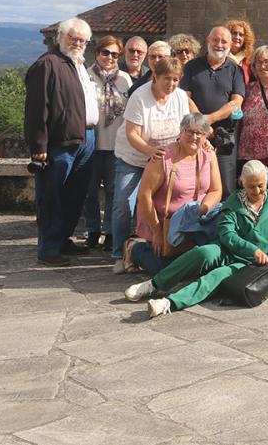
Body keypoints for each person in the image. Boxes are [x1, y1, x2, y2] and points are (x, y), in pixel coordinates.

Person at [125, 160, 268, 318]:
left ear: (266, 182)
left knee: (216, 276)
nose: (256, 191)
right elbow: (227, 233)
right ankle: (154, 284)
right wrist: (252, 249)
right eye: (251, 186)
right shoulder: (234, 201)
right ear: (242, 183)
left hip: (249, 263)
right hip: (228, 249)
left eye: (261, 186)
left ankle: (170, 303)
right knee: (202, 253)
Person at [24, 17, 100, 266]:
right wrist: (38, 146)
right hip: (59, 143)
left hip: (86, 138)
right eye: (73, 38)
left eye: (83, 40)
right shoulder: (48, 64)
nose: (78, 43)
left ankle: (63, 239)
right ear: (61, 37)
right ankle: (48, 248)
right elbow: (36, 109)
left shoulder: (78, 64)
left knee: (74, 196)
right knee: (52, 196)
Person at [112, 57, 197, 273]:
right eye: (166, 79)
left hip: (163, 159)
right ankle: (118, 253)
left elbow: (186, 127)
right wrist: (149, 151)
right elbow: (132, 133)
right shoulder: (140, 97)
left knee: (162, 204)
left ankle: (151, 246)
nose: (171, 84)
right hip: (134, 156)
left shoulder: (179, 97)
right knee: (123, 202)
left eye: (176, 79)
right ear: (155, 77)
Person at [128, 113, 223, 275]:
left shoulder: (209, 155)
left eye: (199, 133)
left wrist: (202, 209)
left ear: (206, 136)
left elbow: (216, 190)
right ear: (180, 132)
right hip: (166, 225)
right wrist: (157, 230)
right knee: (165, 270)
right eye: (189, 132)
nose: (194, 137)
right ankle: (134, 249)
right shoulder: (163, 157)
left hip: (197, 221)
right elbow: (144, 195)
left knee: (206, 264)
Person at [180, 25, 245, 197]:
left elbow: (236, 102)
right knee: (193, 184)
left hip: (224, 139)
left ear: (230, 45)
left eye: (224, 41)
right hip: (194, 136)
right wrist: (202, 126)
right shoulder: (191, 67)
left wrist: (208, 120)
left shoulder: (235, 70)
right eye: (215, 40)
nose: (219, 44)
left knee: (226, 188)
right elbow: (185, 98)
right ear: (208, 41)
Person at [82, 35, 132, 249]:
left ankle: (111, 232)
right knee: (89, 191)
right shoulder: (86, 77)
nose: (110, 58)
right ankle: (93, 230)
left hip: (115, 146)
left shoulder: (125, 80)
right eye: (106, 53)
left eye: (115, 54)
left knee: (114, 192)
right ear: (97, 53)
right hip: (92, 144)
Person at [227, 18, 255, 84]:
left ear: (245, 39)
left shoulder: (250, 61)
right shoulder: (220, 57)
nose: (237, 37)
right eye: (234, 33)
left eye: (241, 35)